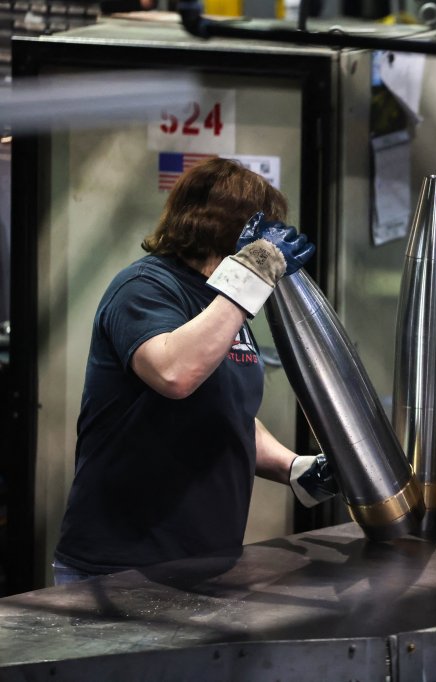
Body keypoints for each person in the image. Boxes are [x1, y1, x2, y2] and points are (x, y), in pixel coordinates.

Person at [53, 158, 337, 585]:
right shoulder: (144, 288)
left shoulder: (220, 302)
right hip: (124, 568)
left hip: (207, 561)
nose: (269, 245)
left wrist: (294, 468)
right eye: (260, 230)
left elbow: (225, 407)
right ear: (227, 227)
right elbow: (175, 374)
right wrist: (253, 273)